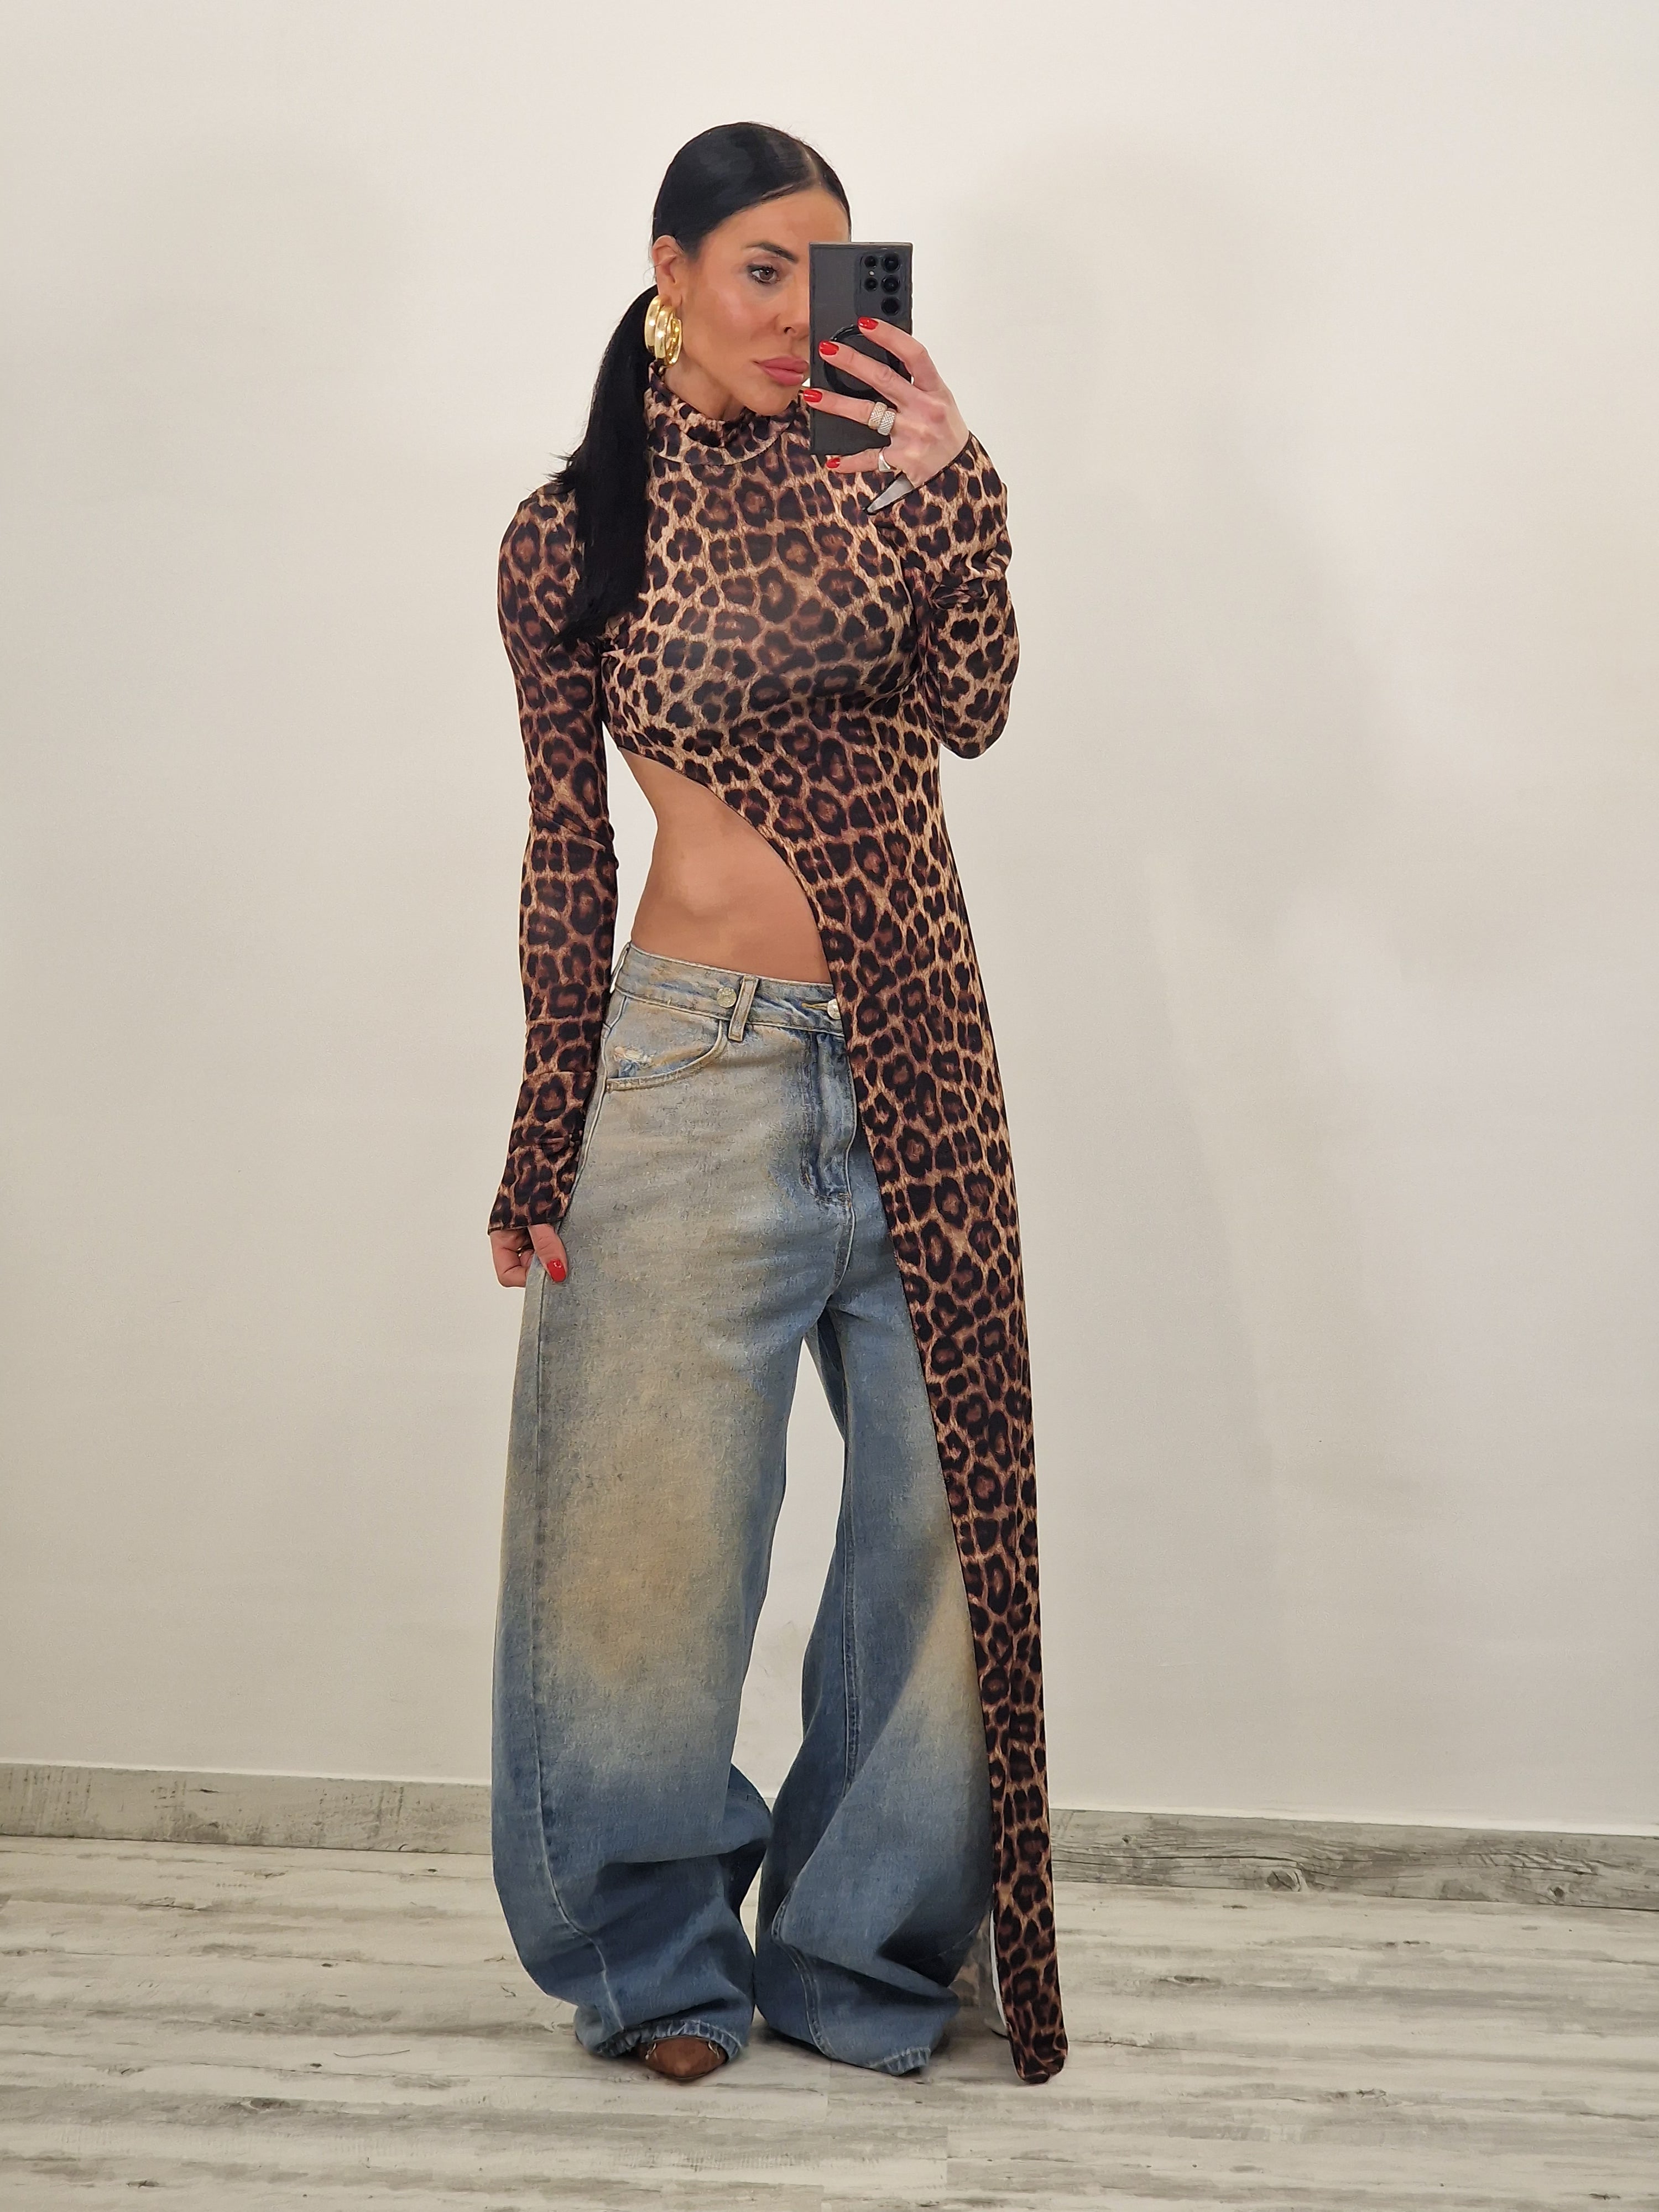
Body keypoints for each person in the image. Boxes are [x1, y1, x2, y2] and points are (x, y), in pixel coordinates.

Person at [486, 121, 1066, 2087]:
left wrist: (953, 483)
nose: (798, 315)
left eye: (829, 279)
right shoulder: (572, 531)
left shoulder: (882, 476)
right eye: (760, 270)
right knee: (644, 1545)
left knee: (943, 1533)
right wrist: (541, 1127)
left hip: (922, 1040)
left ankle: (859, 1957)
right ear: (669, 268)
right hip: (695, 1065)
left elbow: (977, 706)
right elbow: (569, 847)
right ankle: (654, 1962)